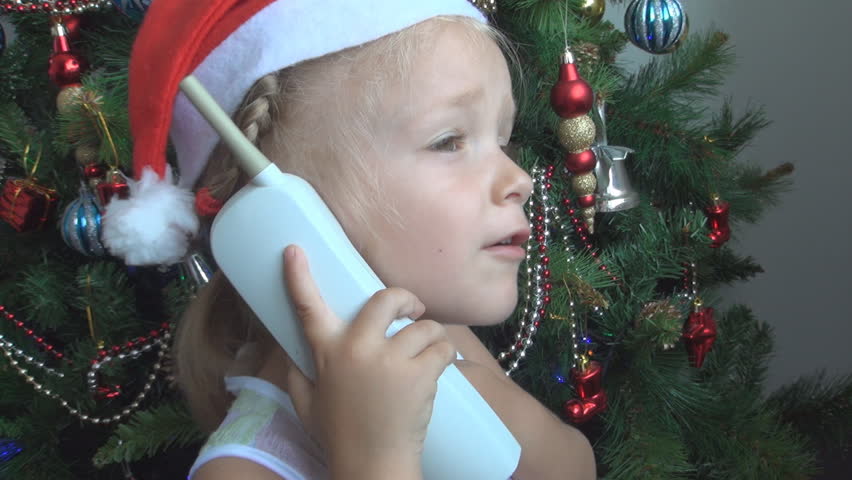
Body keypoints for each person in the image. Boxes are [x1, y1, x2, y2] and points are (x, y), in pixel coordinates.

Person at [114, 1, 597, 479]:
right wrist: (374, 456)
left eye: (503, 140)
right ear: (279, 217)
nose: (519, 179)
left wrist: (482, 398)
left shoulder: (433, 337)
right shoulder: (239, 471)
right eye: (448, 141)